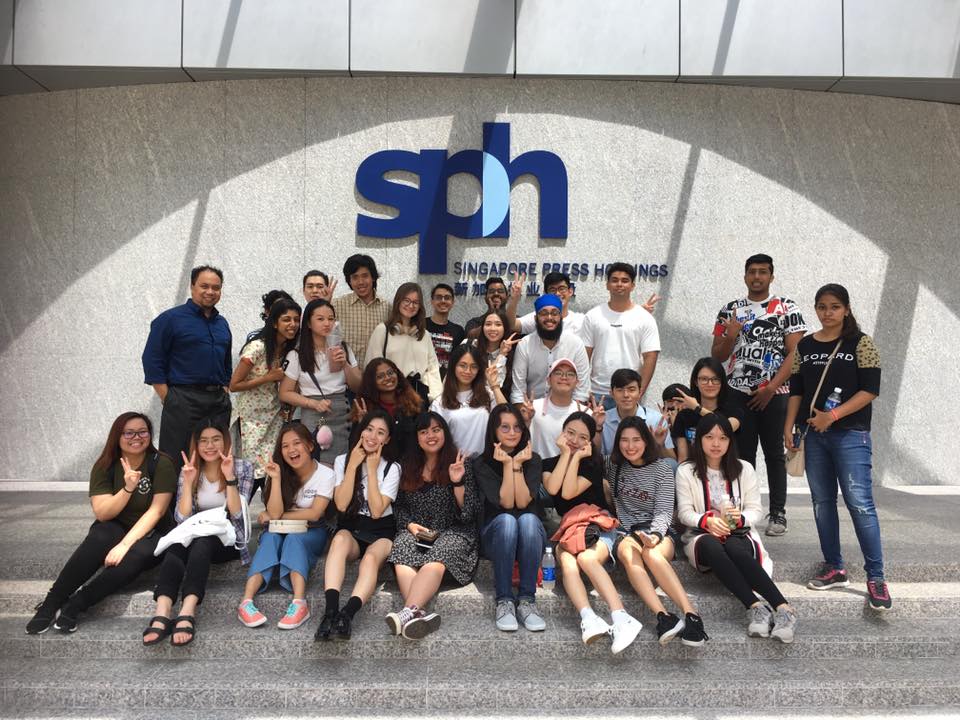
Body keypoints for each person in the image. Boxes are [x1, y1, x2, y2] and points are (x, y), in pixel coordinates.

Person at [784, 283, 890, 610]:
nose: (827, 313)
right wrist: (789, 425)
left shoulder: (861, 343)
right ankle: (835, 567)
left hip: (851, 435)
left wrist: (833, 415)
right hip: (814, 436)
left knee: (860, 503)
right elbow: (797, 391)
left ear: (845, 309)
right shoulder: (805, 345)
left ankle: (876, 577)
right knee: (822, 502)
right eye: (821, 307)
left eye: (834, 307)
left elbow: (870, 390)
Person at [26, 413, 176, 635]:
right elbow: (103, 512)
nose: (137, 437)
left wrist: (124, 545)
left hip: (152, 531)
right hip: (115, 525)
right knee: (101, 536)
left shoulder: (161, 463)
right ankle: (52, 601)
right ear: (117, 436)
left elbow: (157, 511)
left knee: (138, 554)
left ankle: (77, 603)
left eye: (142, 431)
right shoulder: (105, 465)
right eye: (129, 432)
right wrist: (128, 488)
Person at [676, 414, 797, 643]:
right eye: (709, 437)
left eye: (723, 438)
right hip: (701, 535)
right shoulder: (686, 470)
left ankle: (784, 609)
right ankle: (755, 606)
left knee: (733, 545)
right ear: (699, 440)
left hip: (738, 534)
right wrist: (707, 521)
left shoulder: (745, 469)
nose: (716, 443)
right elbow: (684, 512)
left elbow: (756, 511)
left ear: (730, 441)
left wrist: (739, 519)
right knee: (711, 543)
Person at [711, 253, 806, 537]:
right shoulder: (731, 309)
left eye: (763, 272)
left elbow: (795, 353)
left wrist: (771, 387)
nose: (757, 277)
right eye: (752, 272)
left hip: (776, 394)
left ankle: (778, 513)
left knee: (775, 454)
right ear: (744, 276)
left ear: (771, 276)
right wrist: (731, 335)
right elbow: (717, 355)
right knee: (741, 455)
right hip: (737, 392)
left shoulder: (786, 308)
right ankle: (743, 511)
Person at [144, 420, 253, 646]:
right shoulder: (190, 469)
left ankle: (188, 609)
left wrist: (229, 476)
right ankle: (163, 609)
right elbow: (181, 519)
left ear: (226, 441)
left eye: (215, 440)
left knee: (202, 543)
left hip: (228, 539)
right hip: (194, 533)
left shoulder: (242, 467)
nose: (209, 446)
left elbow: (237, 515)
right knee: (177, 544)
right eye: (203, 441)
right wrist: (189, 480)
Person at [542, 412, 644, 653]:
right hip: (570, 529)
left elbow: (568, 493)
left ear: (590, 442)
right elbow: (554, 488)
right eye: (570, 433)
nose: (575, 440)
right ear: (561, 431)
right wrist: (567, 455)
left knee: (586, 558)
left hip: (599, 524)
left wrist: (575, 458)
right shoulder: (547, 464)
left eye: (582, 437)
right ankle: (588, 618)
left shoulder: (592, 465)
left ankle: (621, 617)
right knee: (566, 561)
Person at [607, 416, 709, 646]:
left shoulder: (661, 469)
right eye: (624, 440)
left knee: (651, 554)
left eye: (636, 440)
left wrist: (654, 535)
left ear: (646, 441)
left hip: (660, 530)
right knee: (626, 553)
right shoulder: (614, 466)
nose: (630, 446)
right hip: (628, 530)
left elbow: (664, 511)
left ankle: (692, 614)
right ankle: (664, 617)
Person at [385, 413, 481, 639]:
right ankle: (417, 616)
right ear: (416, 437)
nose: (431, 435)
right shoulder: (406, 465)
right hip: (421, 531)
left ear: (445, 434)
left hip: (453, 531)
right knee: (401, 546)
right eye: (424, 431)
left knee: (437, 554)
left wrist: (457, 480)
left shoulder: (460, 461)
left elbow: (468, 513)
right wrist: (409, 526)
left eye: (436, 430)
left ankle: (406, 612)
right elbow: (398, 506)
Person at [237, 423, 335, 630]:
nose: (291, 450)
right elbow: (273, 513)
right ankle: (246, 602)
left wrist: (278, 515)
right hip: (278, 530)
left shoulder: (326, 474)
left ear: (309, 445)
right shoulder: (278, 473)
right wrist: (275, 478)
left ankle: (300, 603)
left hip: (312, 530)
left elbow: (315, 513)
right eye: (285, 446)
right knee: (270, 538)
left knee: (294, 538)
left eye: (297, 443)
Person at [317, 410, 401, 640]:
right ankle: (331, 610)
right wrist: (353, 466)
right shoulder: (342, 461)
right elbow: (342, 505)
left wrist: (372, 471)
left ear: (387, 440)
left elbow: (376, 511)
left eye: (381, 432)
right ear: (361, 430)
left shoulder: (391, 468)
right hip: (352, 528)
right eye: (369, 429)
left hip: (381, 531)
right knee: (339, 540)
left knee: (371, 558)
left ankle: (348, 614)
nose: (373, 436)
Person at [142, 265, 232, 471]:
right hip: (183, 400)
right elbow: (152, 360)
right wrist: (169, 398)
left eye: (216, 287)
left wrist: (225, 390)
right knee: (177, 457)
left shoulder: (222, 324)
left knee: (215, 458)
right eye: (204, 286)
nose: (210, 292)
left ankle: (211, 502)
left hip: (217, 402)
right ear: (192, 287)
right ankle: (172, 503)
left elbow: (226, 362)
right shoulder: (170, 320)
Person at [471, 404, 546, 633]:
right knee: (507, 520)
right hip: (497, 535)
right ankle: (504, 600)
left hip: (529, 536)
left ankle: (526, 601)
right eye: (505, 427)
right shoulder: (481, 462)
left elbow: (522, 503)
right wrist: (506, 463)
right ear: (494, 431)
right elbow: (506, 503)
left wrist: (516, 466)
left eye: (517, 427)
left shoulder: (533, 459)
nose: (512, 433)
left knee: (527, 520)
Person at [230, 297, 302, 498]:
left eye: (296, 320)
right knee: (252, 472)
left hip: (274, 418)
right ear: (274, 322)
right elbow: (234, 385)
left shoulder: (287, 348)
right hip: (251, 421)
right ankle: (238, 516)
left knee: (271, 468)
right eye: (286, 319)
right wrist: (267, 378)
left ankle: (272, 514)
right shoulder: (257, 347)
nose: (292, 324)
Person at [279, 299, 362, 465]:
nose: (327, 323)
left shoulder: (343, 348)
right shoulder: (297, 354)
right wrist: (312, 403)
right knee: (316, 461)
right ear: (308, 323)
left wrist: (345, 363)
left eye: (331, 319)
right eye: (320, 319)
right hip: (313, 412)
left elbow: (358, 386)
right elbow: (285, 393)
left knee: (341, 463)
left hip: (341, 411)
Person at [582, 262, 661, 405]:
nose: (619, 284)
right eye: (614, 280)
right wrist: (583, 390)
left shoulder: (644, 317)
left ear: (632, 285)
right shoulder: (593, 316)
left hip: (629, 393)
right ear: (607, 285)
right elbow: (584, 355)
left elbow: (650, 356)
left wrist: (639, 391)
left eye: (625, 281)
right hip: (598, 392)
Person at [366, 282, 442, 403]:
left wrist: (436, 398)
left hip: (419, 396)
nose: (411, 305)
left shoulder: (424, 335)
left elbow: (432, 369)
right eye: (406, 300)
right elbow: (372, 367)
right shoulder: (383, 330)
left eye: (415, 302)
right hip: (391, 396)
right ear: (398, 301)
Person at [510, 294, 591, 404]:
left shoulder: (575, 344)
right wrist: (525, 415)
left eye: (554, 313)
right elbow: (518, 392)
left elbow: (582, 391)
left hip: (568, 410)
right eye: (544, 313)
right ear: (535, 318)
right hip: (532, 409)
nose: (549, 318)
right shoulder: (525, 344)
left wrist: (573, 416)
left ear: (561, 317)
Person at [430, 344, 507, 457]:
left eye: (474, 366)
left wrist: (494, 386)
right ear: (453, 367)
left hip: (485, 462)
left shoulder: (487, 394)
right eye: (463, 365)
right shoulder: (440, 402)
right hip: (455, 464)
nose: (468, 371)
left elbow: (507, 414)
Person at [519, 358, 596, 461]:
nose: (564, 377)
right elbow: (519, 442)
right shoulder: (533, 408)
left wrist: (598, 426)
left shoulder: (585, 413)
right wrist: (526, 421)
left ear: (577, 382)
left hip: (573, 470)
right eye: (558, 373)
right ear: (548, 380)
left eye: (570, 374)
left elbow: (595, 450)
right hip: (539, 469)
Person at [672, 358, 744, 463]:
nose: (710, 384)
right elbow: (683, 458)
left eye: (715, 379)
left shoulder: (734, 410)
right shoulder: (684, 415)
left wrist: (697, 408)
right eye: (704, 379)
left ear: (722, 382)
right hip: (693, 471)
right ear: (696, 382)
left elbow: (724, 427)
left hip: (727, 469)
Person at [352, 357, 426, 456]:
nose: (387, 378)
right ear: (371, 382)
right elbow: (353, 447)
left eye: (390, 373)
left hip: (409, 464)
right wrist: (362, 425)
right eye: (380, 376)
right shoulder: (364, 407)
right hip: (376, 463)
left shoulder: (414, 403)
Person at [600, 369, 674, 459]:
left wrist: (659, 445)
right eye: (620, 390)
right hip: (613, 468)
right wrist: (597, 427)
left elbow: (672, 460)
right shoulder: (603, 419)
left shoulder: (656, 419)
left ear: (640, 393)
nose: (626, 395)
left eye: (631, 390)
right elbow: (597, 456)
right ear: (611, 393)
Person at [332, 254, 390, 365]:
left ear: (373, 277)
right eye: (355, 277)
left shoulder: (387, 307)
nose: (360, 282)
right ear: (349, 280)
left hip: (376, 376)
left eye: (365, 276)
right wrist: (323, 304)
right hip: (346, 376)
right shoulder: (336, 305)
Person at [506, 271, 586, 338]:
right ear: (546, 294)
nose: (557, 293)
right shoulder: (539, 317)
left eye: (562, 289)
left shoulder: (580, 320)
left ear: (570, 291)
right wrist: (514, 299)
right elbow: (511, 324)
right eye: (552, 289)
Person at [426, 283, 465, 380]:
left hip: (447, 384)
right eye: (439, 297)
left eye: (447, 298)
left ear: (452, 302)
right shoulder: (421, 325)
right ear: (432, 301)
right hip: (423, 382)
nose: (443, 301)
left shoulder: (458, 331)